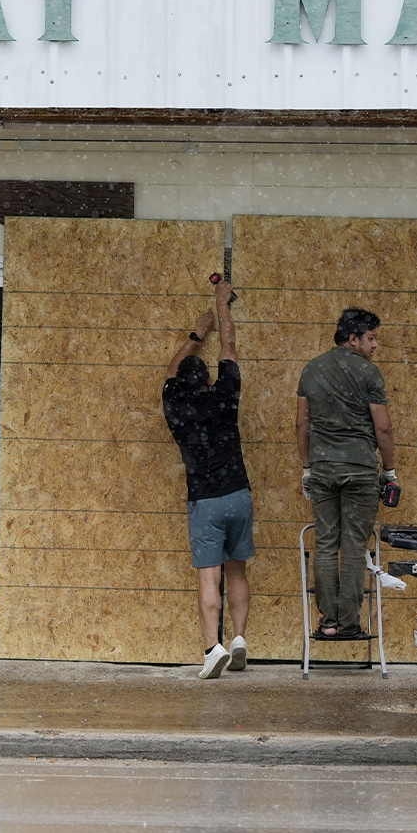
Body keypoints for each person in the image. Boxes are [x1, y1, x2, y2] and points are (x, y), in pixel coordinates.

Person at [161, 277, 252, 679]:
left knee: (208, 576)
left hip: (205, 501)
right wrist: (222, 305)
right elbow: (230, 348)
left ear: (181, 383)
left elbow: (170, 368)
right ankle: (239, 640)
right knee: (237, 571)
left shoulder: (175, 405)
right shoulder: (225, 395)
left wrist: (197, 333)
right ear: (211, 379)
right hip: (238, 495)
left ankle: (211, 648)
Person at [296, 307, 398, 641]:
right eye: (371, 338)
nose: (375, 345)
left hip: (323, 470)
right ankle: (349, 624)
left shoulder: (311, 370)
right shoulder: (369, 374)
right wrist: (391, 471)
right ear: (353, 339)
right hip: (360, 471)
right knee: (354, 547)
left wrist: (307, 469)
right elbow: (382, 428)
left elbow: (302, 424)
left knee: (326, 544)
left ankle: (327, 623)